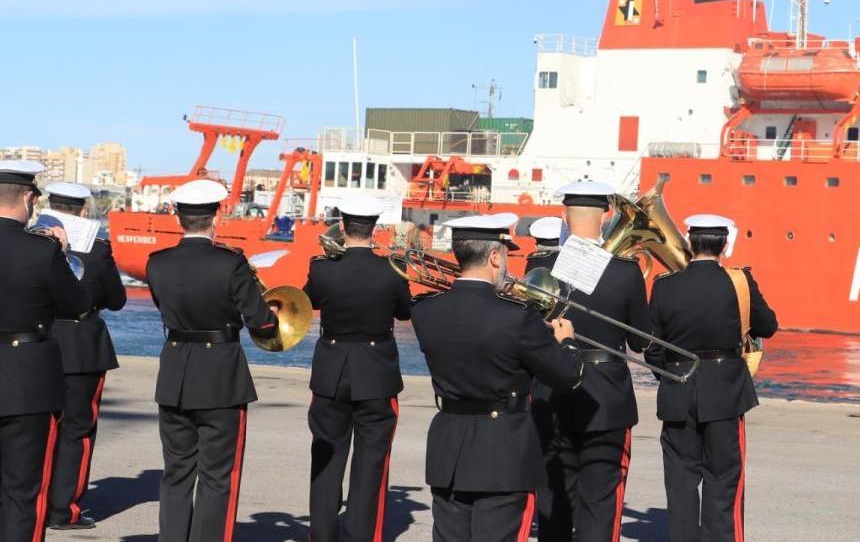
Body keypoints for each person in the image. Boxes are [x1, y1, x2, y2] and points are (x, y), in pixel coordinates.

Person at [410, 213, 585, 542]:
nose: (506, 263)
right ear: (493, 256)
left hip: (449, 446)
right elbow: (567, 376)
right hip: (504, 450)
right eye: (505, 255)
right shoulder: (518, 317)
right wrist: (566, 342)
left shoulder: (425, 310)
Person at [145, 179, 279, 542]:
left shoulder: (156, 264)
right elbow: (262, 322)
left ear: (178, 218)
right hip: (221, 377)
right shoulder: (231, 264)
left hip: (174, 374)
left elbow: (166, 310)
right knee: (218, 477)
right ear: (215, 217)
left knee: (176, 472)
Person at [529, 182, 651, 542]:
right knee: (600, 500)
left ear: (565, 216)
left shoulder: (539, 266)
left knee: (554, 496)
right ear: (607, 216)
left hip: (551, 389)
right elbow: (640, 341)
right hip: (607, 394)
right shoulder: (625, 272)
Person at [644, 214, 777, 542]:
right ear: (725, 245)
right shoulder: (740, 282)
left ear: (690, 243)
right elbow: (768, 326)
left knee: (680, 484)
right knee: (724, 482)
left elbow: (651, 349)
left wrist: (673, 374)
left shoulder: (664, 285)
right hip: (725, 391)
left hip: (678, 388)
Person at [303, 194, 412, 542]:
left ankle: (321, 535)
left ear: (343, 226)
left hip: (331, 370)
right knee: (370, 465)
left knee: (326, 458)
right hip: (376, 373)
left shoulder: (321, 268)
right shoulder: (391, 270)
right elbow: (406, 312)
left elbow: (306, 303)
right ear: (374, 227)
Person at [0, 161, 91, 542]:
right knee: (23, 493)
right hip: (27, 381)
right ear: (28, 197)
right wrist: (66, 255)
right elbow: (78, 305)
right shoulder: (42, 250)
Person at [42, 182, 124, 531]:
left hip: (39, 342)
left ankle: (31, 504)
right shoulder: (99, 250)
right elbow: (117, 299)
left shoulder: (31, 243)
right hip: (82, 348)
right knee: (77, 431)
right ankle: (64, 511)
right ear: (81, 210)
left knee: (36, 430)